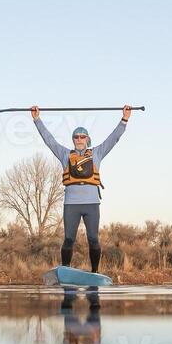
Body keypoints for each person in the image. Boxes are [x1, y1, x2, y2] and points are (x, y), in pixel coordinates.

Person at [31, 105, 132, 273]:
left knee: (93, 239)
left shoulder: (97, 153)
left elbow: (113, 138)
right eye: (76, 137)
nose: (79, 139)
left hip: (91, 204)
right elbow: (49, 140)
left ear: (87, 139)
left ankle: (94, 272)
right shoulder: (64, 154)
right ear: (73, 140)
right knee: (69, 239)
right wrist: (37, 120)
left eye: (82, 137)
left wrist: (124, 119)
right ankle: (65, 270)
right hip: (71, 204)